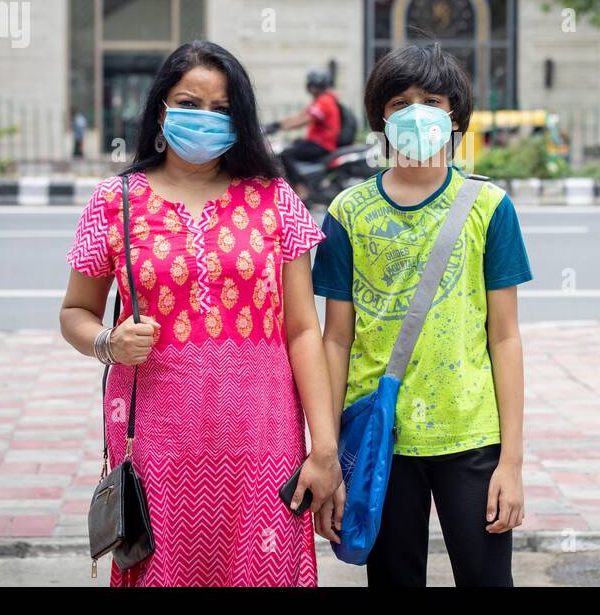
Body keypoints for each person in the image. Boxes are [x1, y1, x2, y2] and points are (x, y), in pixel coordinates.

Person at [59, 40, 344, 586]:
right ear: (161, 111)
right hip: (156, 445)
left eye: (222, 110)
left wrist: (324, 448)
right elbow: (75, 312)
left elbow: (304, 329)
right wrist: (107, 344)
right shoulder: (114, 201)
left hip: (264, 440)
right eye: (190, 104)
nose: (205, 120)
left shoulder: (274, 199)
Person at [311, 42, 532, 586]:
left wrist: (512, 463)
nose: (416, 112)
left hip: (471, 435)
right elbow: (334, 340)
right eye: (400, 101)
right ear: (380, 117)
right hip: (379, 436)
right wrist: (332, 454)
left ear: (455, 116)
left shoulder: (490, 207)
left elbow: (504, 338)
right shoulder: (347, 212)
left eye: (431, 100)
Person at [265, 69, 342, 199]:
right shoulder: (322, 100)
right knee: (291, 144)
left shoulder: (324, 102)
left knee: (284, 153)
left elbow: (303, 120)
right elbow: (301, 116)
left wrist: (277, 126)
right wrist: (276, 124)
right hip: (316, 142)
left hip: (321, 145)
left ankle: (301, 188)